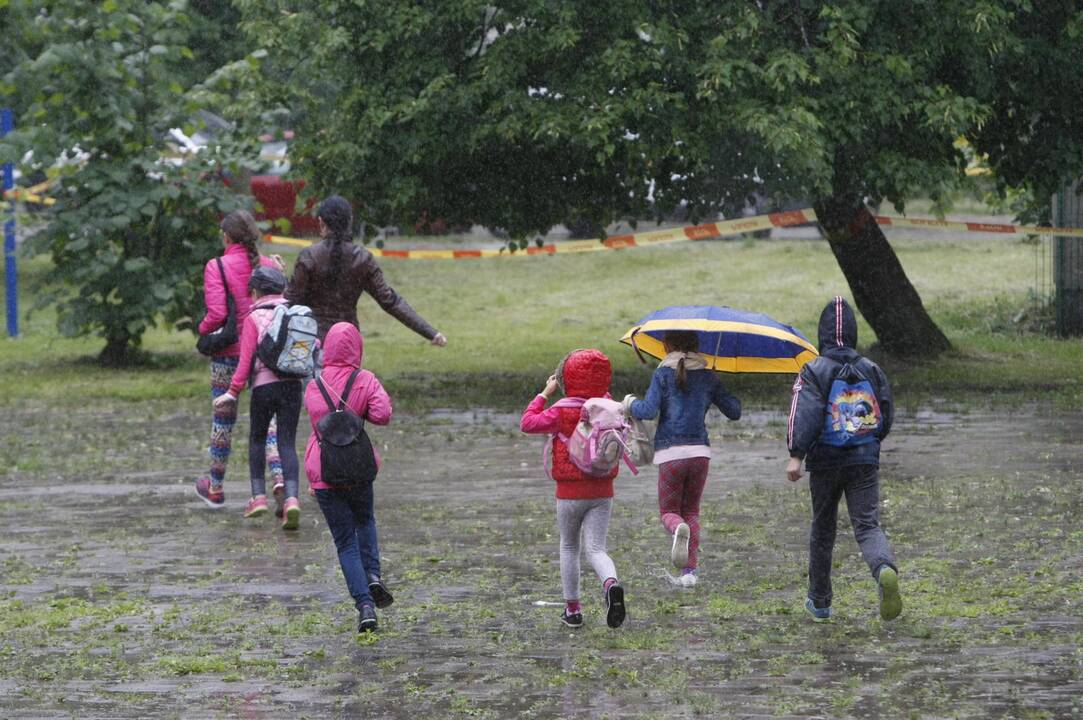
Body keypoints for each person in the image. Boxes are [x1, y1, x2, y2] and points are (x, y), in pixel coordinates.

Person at [785, 296, 900, 622]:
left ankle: (819, 602)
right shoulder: (872, 369)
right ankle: (883, 569)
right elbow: (886, 414)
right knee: (867, 525)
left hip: (825, 461)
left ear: (821, 334)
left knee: (823, 530)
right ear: (854, 333)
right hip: (863, 461)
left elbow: (802, 415)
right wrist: (870, 444)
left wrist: (796, 454)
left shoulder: (813, 370)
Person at [520, 349, 626, 630]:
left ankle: (573, 611)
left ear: (566, 376)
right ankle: (610, 584)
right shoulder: (610, 408)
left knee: (569, 546)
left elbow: (527, 423)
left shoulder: (562, 409)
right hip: (603, 491)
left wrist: (545, 392)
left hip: (569, 493)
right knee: (597, 548)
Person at [625, 331, 741, 587]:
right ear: (697, 345)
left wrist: (629, 403)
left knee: (670, 511)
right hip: (700, 454)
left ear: (666, 345)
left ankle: (677, 528)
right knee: (691, 512)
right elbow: (735, 411)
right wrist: (715, 382)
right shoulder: (707, 375)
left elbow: (649, 410)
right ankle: (689, 573)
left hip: (671, 454)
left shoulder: (662, 373)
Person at [305, 322, 394, 633]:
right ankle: (373, 576)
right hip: (357, 467)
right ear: (357, 347)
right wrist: (359, 411)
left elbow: (319, 426)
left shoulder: (314, 385)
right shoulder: (365, 379)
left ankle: (365, 606)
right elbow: (382, 415)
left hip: (325, 471)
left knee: (344, 542)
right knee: (365, 520)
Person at [195, 210, 286, 510]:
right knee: (269, 421)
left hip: (227, 355)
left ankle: (216, 488)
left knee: (223, 418)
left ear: (227, 236)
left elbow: (218, 315)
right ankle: (279, 480)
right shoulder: (270, 265)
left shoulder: (216, 266)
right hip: (263, 354)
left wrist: (203, 330)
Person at [284, 195, 448, 347]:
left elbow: (290, 300)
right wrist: (430, 332)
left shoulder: (309, 256)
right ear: (350, 221)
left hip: (310, 341)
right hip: (348, 342)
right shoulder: (363, 259)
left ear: (321, 223)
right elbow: (390, 301)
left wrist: (276, 277)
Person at [213, 267, 303, 530]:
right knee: (286, 442)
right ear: (282, 290)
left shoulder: (253, 317)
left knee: (257, 438)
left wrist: (231, 392)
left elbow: (245, 361)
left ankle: (259, 497)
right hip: (292, 387)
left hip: (264, 388)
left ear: (255, 292)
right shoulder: (295, 313)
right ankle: (292, 501)